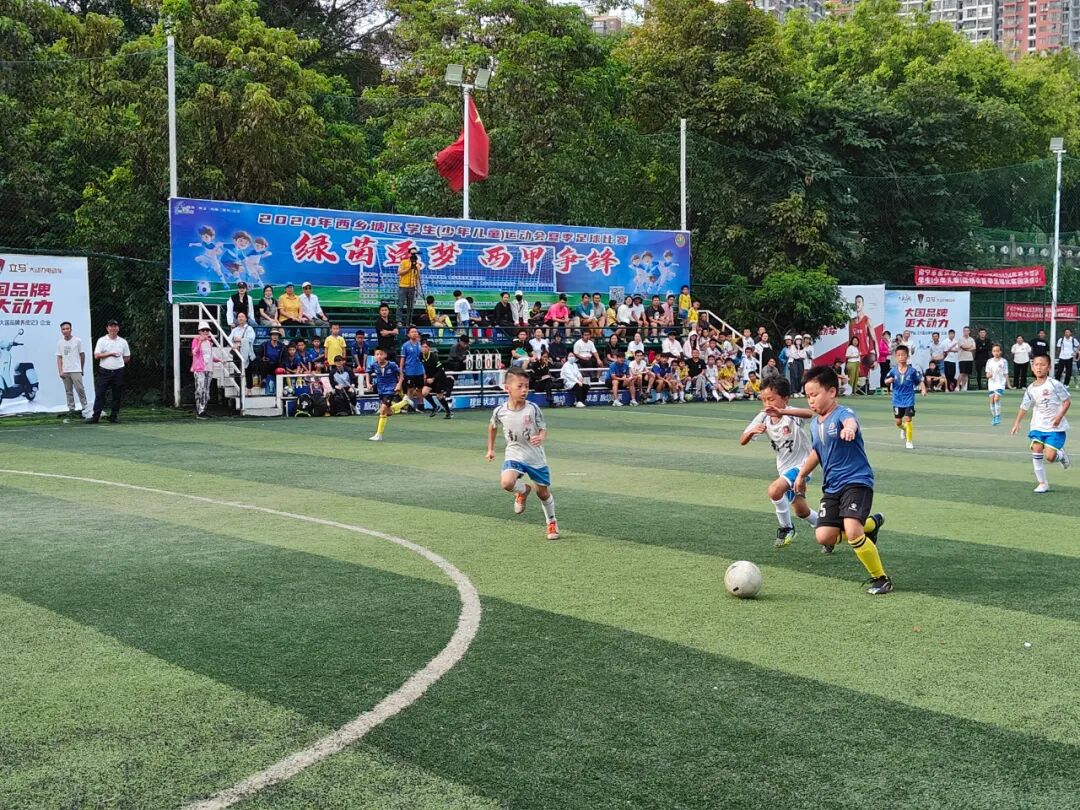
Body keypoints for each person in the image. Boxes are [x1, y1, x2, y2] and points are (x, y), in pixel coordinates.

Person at [777, 365, 890, 594]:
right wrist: (801, 475)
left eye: (815, 395)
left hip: (856, 480)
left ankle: (881, 579)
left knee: (852, 530)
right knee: (824, 536)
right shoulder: (815, 424)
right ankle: (871, 524)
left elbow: (851, 422)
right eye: (808, 396)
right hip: (832, 486)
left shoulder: (843, 413)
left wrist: (849, 429)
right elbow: (816, 452)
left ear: (831, 392)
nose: (811, 400)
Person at [740, 377, 820, 548]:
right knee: (802, 511)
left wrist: (782, 412)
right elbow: (743, 440)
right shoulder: (763, 417)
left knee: (774, 490)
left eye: (771, 399)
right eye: (764, 400)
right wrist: (752, 432)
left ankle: (787, 528)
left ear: (785, 399)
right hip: (784, 468)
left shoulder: (791, 414)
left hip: (803, 466)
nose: (767, 404)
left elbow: (809, 413)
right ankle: (829, 529)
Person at [486, 367, 560, 540]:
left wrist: (541, 437)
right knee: (506, 483)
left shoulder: (533, 409)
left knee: (543, 493)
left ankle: (551, 521)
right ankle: (523, 490)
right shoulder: (500, 411)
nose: (524, 390)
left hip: (535, 456)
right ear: (507, 388)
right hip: (514, 453)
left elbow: (543, 428)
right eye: (519, 386)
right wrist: (490, 449)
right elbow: (492, 426)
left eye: (526, 386)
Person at [1010, 354, 1071, 492]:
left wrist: (1059, 416)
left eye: (1042, 365)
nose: (1039, 367)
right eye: (1036, 365)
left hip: (1054, 427)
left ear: (1048, 367)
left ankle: (1061, 455)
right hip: (1037, 426)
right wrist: (1017, 423)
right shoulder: (1030, 388)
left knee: (1050, 457)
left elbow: (1067, 402)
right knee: (1036, 450)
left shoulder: (1055, 384)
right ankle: (1042, 483)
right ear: (1032, 368)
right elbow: (1024, 407)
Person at [86, 320, 130, 424]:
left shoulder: (123, 341)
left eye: (115, 326)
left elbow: (127, 357)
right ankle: (96, 416)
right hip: (104, 371)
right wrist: (110, 354)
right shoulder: (102, 340)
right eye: (111, 326)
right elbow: (97, 355)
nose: (113, 329)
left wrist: (118, 364)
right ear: (107, 328)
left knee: (117, 394)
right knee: (100, 394)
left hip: (118, 372)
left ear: (118, 328)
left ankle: (113, 416)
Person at [883, 345, 926, 450]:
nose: (901, 357)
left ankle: (909, 441)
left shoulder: (912, 371)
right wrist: (888, 381)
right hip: (897, 399)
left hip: (909, 398)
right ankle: (903, 429)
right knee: (898, 422)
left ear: (907, 356)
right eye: (899, 355)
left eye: (903, 355)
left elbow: (920, 381)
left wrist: (923, 389)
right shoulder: (893, 371)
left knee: (908, 419)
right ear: (896, 357)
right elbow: (885, 380)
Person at [368, 347, 410, 441]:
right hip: (381, 390)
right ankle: (404, 402)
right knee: (388, 411)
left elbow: (401, 374)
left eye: (381, 354)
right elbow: (368, 373)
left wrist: (399, 384)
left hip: (390, 389)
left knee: (383, 410)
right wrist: (368, 383)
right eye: (377, 354)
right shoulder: (374, 365)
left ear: (385, 355)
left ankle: (379, 434)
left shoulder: (392, 365)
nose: (379, 356)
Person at [56, 321, 89, 418]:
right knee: (68, 391)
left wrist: (81, 368)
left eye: (67, 328)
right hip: (65, 370)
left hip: (76, 369)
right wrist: (60, 371)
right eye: (63, 329)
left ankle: (85, 407)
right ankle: (71, 408)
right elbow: (59, 357)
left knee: (80, 389)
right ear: (61, 331)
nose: (65, 331)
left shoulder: (77, 341)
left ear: (71, 329)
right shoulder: (60, 343)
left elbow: (82, 355)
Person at [420, 339, 454, 419]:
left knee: (439, 396)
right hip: (429, 378)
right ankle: (435, 407)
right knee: (424, 392)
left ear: (429, 348)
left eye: (426, 347)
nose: (424, 348)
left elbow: (441, 370)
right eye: (423, 347)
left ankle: (448, 412)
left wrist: (433, 378)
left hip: (439, 378)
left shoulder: (434, 357)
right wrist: (425, 375)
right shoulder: (421, 356)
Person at [191, 322, 215, 420]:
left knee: (206, 391)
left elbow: (210, 355)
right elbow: (194, 352)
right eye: (203, 330)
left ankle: (203, 410)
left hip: (208, 368)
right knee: (200, 390)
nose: (205, 332)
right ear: (199, 331)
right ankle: (199, 411)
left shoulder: (209, 342)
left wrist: (219, 360)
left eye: (207, 330)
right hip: (199, 369)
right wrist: (200, 342)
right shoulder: (196, 340)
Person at [399, 326, 426, 412]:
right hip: (409, 371)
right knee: (410, 389)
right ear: (408, 334)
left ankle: (421, 406)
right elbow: (402, 359)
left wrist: (425, 372)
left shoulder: (421, 345)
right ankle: (410, 407)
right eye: (412, 332)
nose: (415, 333)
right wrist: (401, 371)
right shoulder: (405, 346)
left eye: (416, 332)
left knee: (420, 389)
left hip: (419, 371)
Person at [229, 311, 257, 394]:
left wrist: (240, 340)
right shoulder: (234, 330)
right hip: (237, 352)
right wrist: (234, 344)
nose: (240, 318)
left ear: (246, 318)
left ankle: (249, 388)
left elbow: (251, 339)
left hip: (247, 352)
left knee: (248, 370)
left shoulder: (249, 329)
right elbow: (229, 339)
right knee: (237, 370)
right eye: (239, 317)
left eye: (242, 316)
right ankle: (239, 389)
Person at [397, 247, 422, 327]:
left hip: (412, 287)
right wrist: (409, 268)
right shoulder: (404, 262)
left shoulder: (417, 265)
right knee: (400, 305)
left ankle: (409, 322)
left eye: (415, 253)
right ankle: (399, 321)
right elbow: (399, 273)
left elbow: (417, 277)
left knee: (410, 307)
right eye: (412, 253)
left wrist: (418, 289)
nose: (413, 255)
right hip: (403, 286)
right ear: (409, 254)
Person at [985, 343, 1009, 426]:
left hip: (1000, 383)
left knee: (996, 398)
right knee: (991, 400)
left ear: (1000, 352)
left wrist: (1008, 384)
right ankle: (994, 417)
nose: (996, 353)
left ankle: (998, 416)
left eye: (997, 351)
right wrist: (988, 375)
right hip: (991, 383)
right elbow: (987, 373)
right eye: (994, 351)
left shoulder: (1004, 361)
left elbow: (1006, 373)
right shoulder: (989, 361)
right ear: (992, 352)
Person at [260, 328, 285, 394]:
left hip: (277, 364)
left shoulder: (282, 346)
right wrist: (262, 358)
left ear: (278, 336)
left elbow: (284, 357)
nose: (275, 336)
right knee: (263, 363)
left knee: (281, 368)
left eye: (276, 335)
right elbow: (258, 355)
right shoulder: (264, 345)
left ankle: (281, 386)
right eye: (273, 335)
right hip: (267, 364)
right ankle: (264, 380)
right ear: (270, 336)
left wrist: (281, 365)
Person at [957, 326, 976, 392]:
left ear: (969, 332)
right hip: (962, 358)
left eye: (967, 331)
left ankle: (963, 387)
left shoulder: (971, 339)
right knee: (962, 373)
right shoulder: (960, 339)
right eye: (965, 331)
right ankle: (957, 386)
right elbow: (963, 347)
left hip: (969, 358)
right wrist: (970, 346)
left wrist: (968, 347)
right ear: (963, 331)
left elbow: (974, 347)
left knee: (966, 374)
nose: (966, 332)